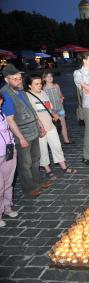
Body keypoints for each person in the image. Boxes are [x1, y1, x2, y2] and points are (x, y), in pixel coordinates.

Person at [0, 64, 51, 198]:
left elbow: (31, 110)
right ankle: (29, 188)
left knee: (36, 159)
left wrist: (40, 124)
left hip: (33, 129)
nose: (19, 80)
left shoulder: (22, 91)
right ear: (7, 80)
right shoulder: (6, 94)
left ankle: (38, 181)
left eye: (20, 78)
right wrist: (21, 138)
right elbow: (10, 120)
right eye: (15, 79)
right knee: (25, 163)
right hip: (22, 134)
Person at [25, 74, 77, 180]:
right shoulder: (27, 96)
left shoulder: (43, 93)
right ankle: (48, 169)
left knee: (57, 145)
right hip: (40, 128)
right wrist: (40, 126)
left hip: (50, 125)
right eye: (36, 84)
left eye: (40, 83)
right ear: (30, 86)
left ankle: (63, 166)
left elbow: (49, 107)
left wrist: (54, 113)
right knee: (43, 149)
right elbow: (32, 114)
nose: (39, 86)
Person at [0, 93, 18, 227]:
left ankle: (7, 207)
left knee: (8, 182)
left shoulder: (3, 114)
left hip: (9, 152)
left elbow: (9, 130)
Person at [42, 72, 73, 144]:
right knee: (52, 125)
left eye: (51, 76)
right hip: (51, 110)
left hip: (59, 108)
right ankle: (54, 142)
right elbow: (45, 101)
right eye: (47, 76)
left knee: (63, 123)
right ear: (44, 79)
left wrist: (61, 98)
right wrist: (51, 111)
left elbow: (60, 94)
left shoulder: (56, 86)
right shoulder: (43, 89)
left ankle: (66, 140)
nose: (50, 78)